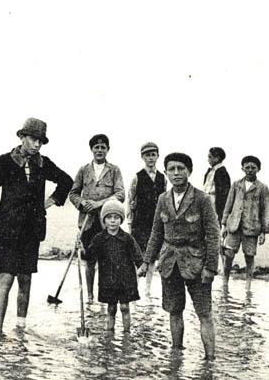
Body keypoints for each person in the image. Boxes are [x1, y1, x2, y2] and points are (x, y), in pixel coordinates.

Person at [0, 117, 73, 335]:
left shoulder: (43, 163)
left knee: (26, 279)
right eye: (33, 139)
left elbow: (66, 181)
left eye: (41, 141)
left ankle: (20, 327)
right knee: (6, 278)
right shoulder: (5, 162)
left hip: (32, 230)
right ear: (22, 138)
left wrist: (51, 201)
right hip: (8, 228)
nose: (37, 144)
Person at [139, 152, 219, 360]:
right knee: (174, 311)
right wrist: (146, 261)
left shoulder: (202, 199)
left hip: (196, 263)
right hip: (169, 262)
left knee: (204, 313)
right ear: (165, 173)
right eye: (172, 169)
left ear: (189, 172)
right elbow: (156, 232)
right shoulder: (163, 199)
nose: (176, 173)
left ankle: (209, 361)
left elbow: (213, 234)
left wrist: (210, 267)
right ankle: (176, 354)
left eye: (181, 168)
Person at [69, 134, 125, 303]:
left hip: (108, 223)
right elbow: (73, 193)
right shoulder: (83, 170)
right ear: (92, 149)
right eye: (96, 147)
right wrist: (83, 203)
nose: (99, 150)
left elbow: (120, 194)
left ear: (107, 149)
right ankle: (90, 296)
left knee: (108, 259)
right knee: (90, 260)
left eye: (103, 147)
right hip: (87, 223)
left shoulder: (114, 170)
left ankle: (105, 295)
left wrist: (99, 204)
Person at [83, 200, 142, 332]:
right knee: (111, 308)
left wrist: (141, 267)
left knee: (125, 307)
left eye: (116, 217)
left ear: (121, 220)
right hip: (108, 280)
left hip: (126, 280)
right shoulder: (99, 239)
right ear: (104, 220)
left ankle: (127, 333)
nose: (113, 221)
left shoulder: (127, 238)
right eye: (109, 217)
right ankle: (110, 334)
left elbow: (137, 255)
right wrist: (81, 249)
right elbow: (89, 256)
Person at [221, 155, 269, 288]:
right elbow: (228, 205)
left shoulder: (262, 188)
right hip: (234, 226)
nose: (250, 170)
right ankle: (225, 282)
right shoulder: (236, 184)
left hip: (252, 227)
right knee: (229, 254)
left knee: (249, 256)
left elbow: (265, 210)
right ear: (242, 168)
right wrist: (224, 224)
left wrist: (264, 232)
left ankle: (248, 284)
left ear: (258, 169)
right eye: (247, 167)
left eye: (253, 167)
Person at [126, 142, 167, 297]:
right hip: (139, 223)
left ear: (157, 156)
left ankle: (147, 291)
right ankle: (134, 288)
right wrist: (130, 224)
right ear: (142, 157)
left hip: (155, 223)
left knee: (152, 257)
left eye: (153, 154)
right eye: (147, 155)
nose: (150, 158)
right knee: (138, 256)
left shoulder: (163, 178)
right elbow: (130, 201)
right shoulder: (137, 177)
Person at [203, 147, 231, 222]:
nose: (208, 159)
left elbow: (225, 193)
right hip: (206, 200)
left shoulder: (222, 173)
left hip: (215, 202)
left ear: (217, 158)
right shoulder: (210, 171)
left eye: (210, 157)